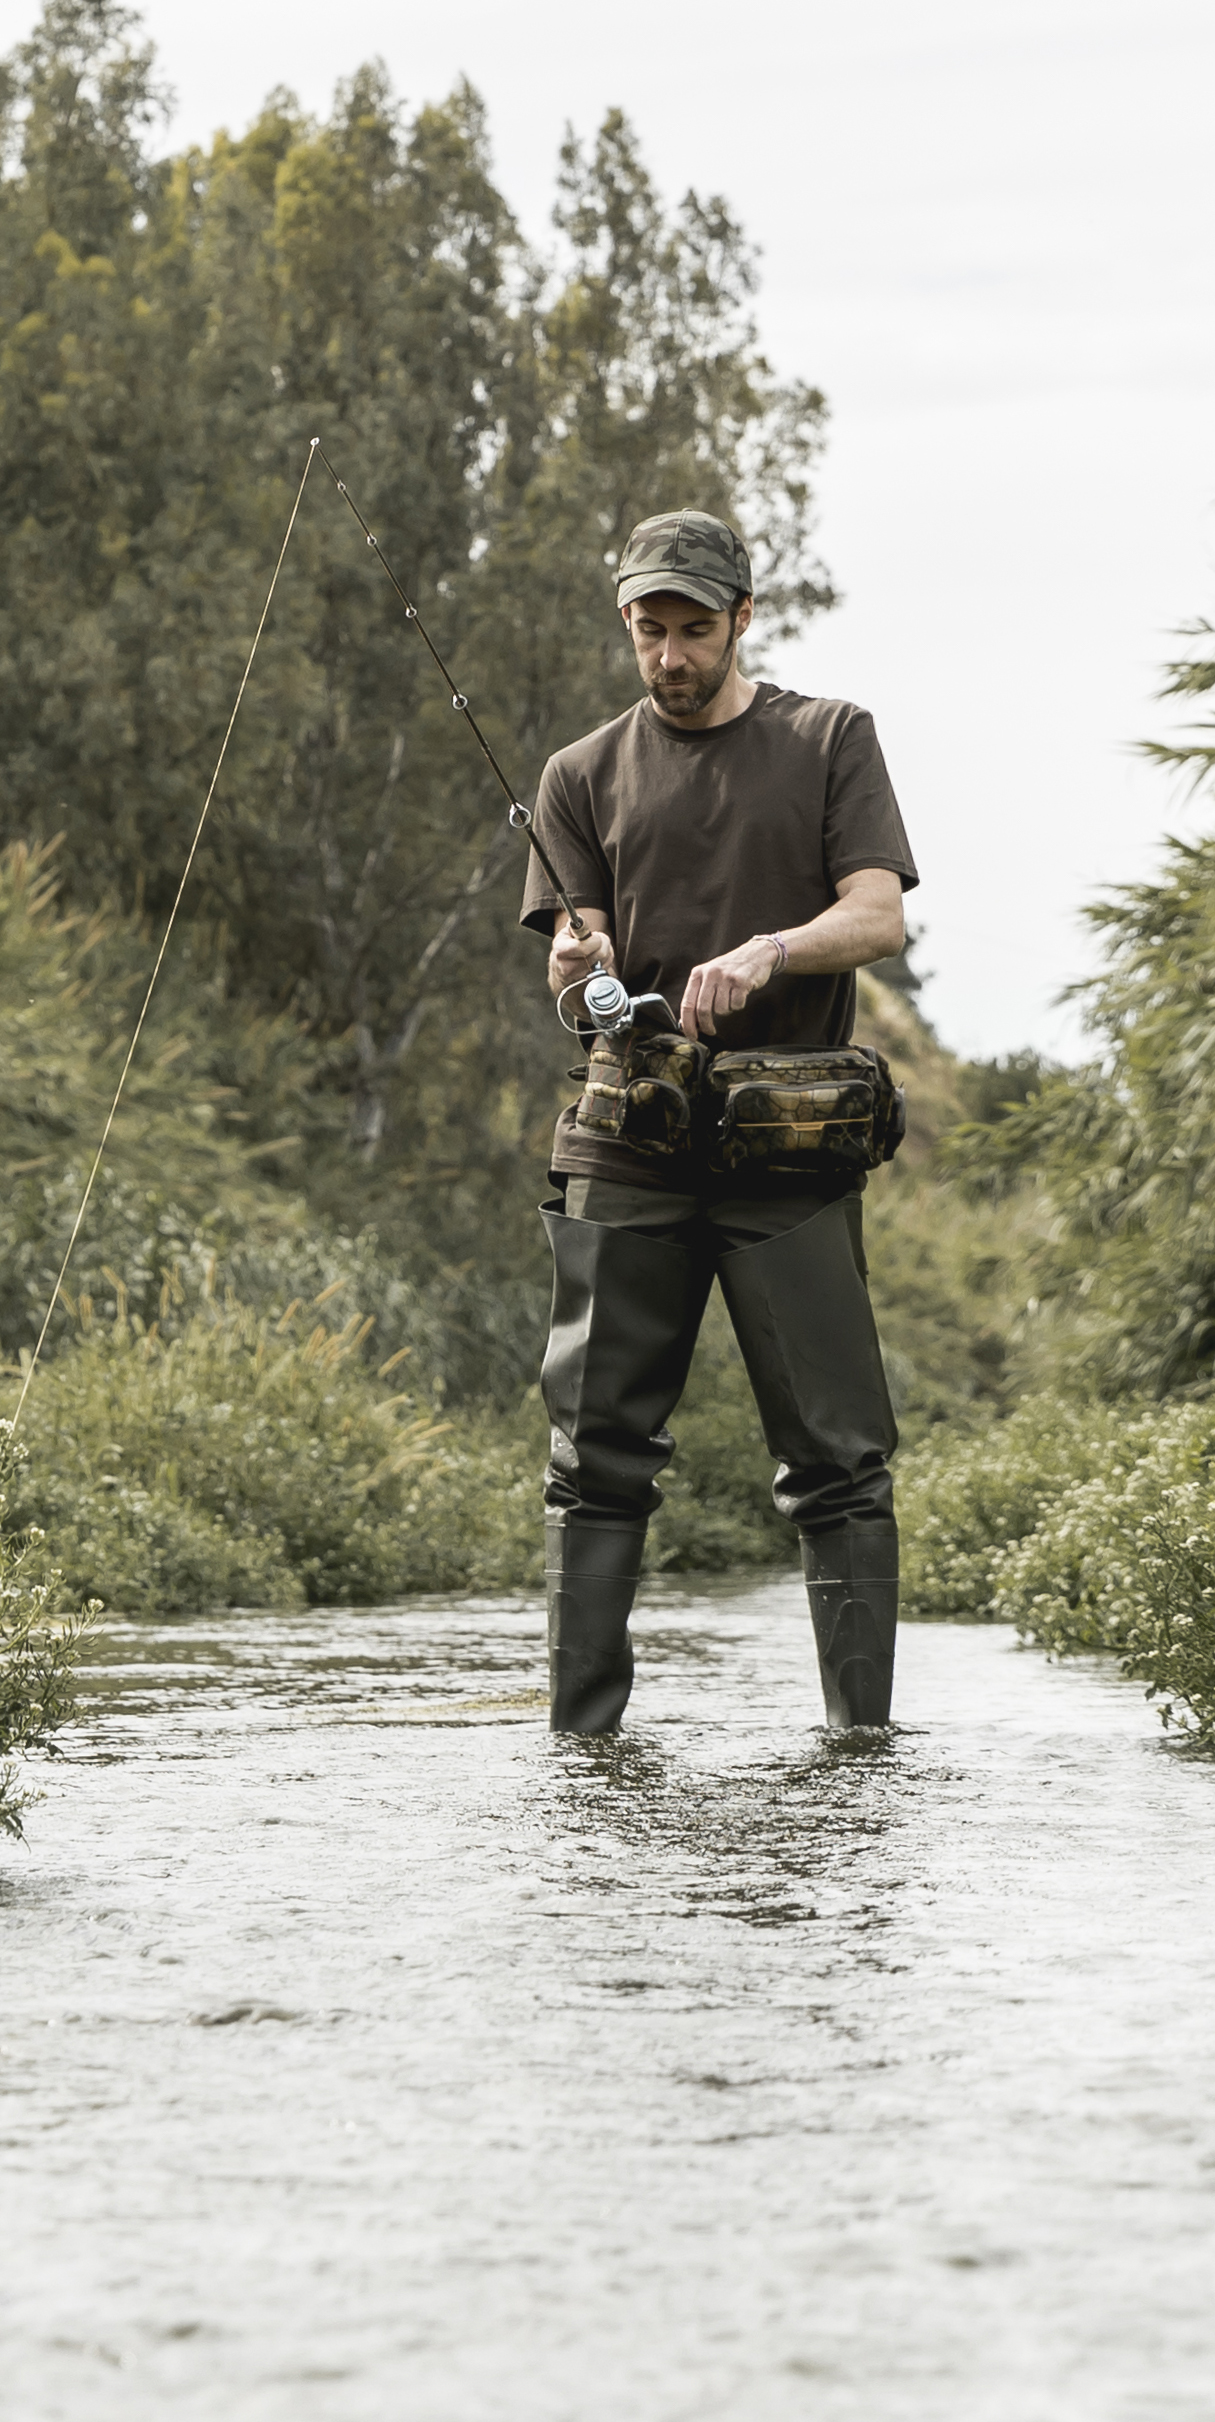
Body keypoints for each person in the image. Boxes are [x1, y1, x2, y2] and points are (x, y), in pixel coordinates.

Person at [518, 506, 918, 1736]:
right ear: (626, 625)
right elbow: (568, 976)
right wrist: (582, 964)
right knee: (594, 1467)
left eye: (695, 629)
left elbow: (877, 916)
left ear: (743, 618)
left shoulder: (827, 738)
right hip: (625, 1142)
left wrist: (768, 951)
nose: (670, 657)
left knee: (840, 1463)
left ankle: (861, 1751)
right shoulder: (577, 776)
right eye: (650, 631)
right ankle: (581, 1752)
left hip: (785, 1149)